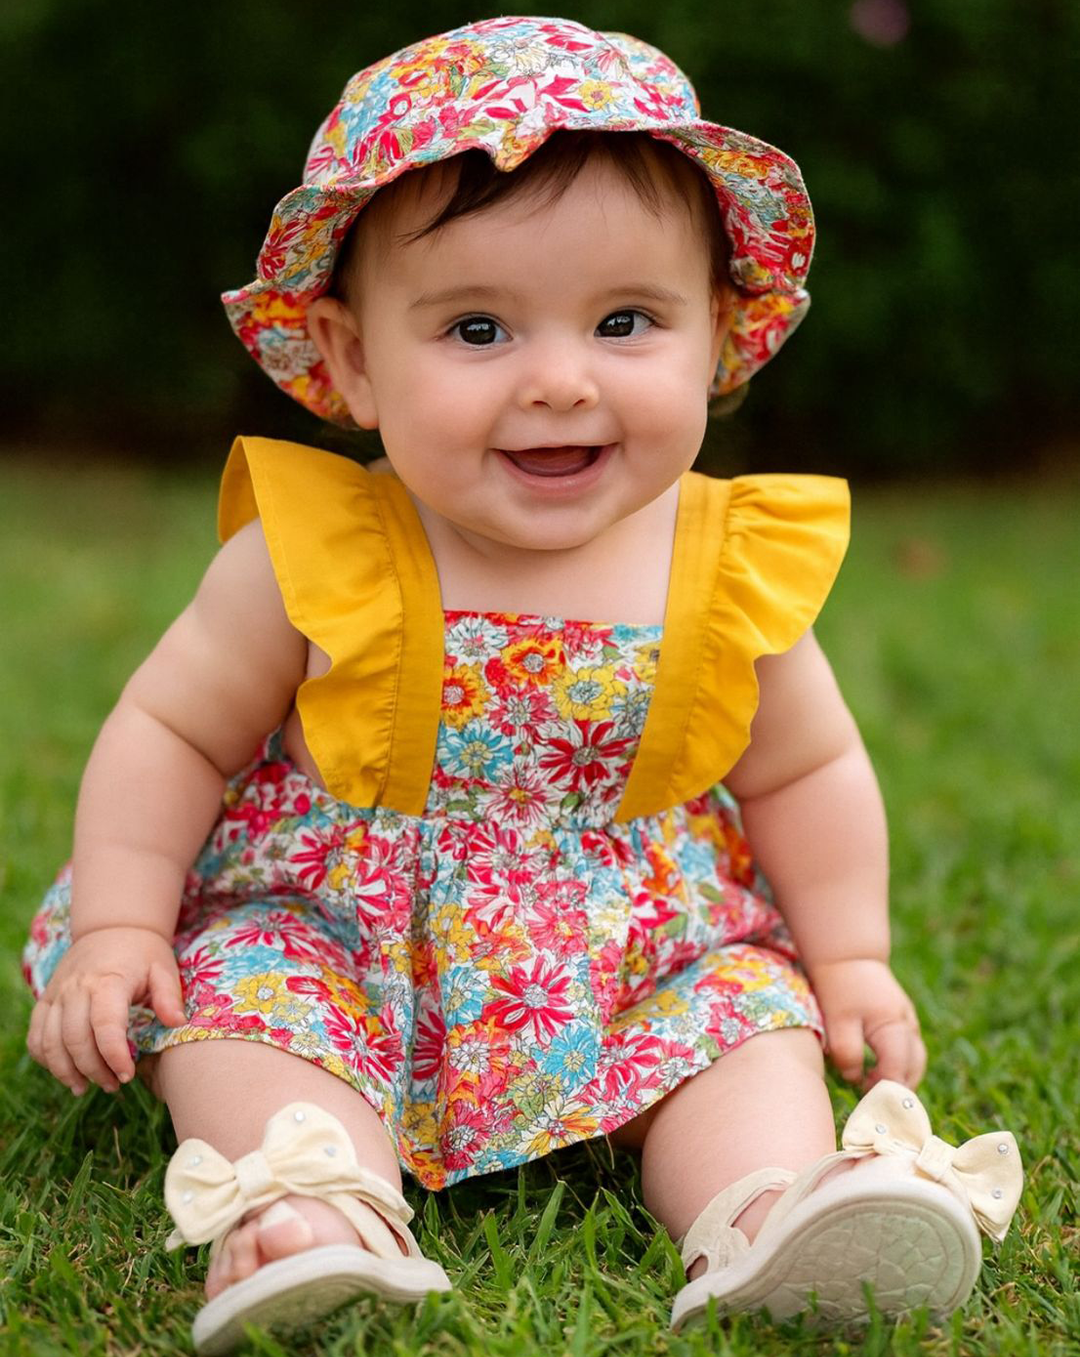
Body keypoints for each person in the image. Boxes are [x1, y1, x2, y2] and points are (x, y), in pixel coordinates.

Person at [22, 15, 1022, 1354]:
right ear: (355, 358)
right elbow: (172, 730)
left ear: (717, 336)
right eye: (479, 328)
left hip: (629, 955)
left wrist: (847, 956)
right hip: (339, 933)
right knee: (244, 1005)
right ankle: (313, 1202)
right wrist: (120, 925)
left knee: (741, 1018)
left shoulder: (727, 566)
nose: (560, 382)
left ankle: (767, 1204)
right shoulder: (315, 552)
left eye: (625, 322)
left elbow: (804, 768)